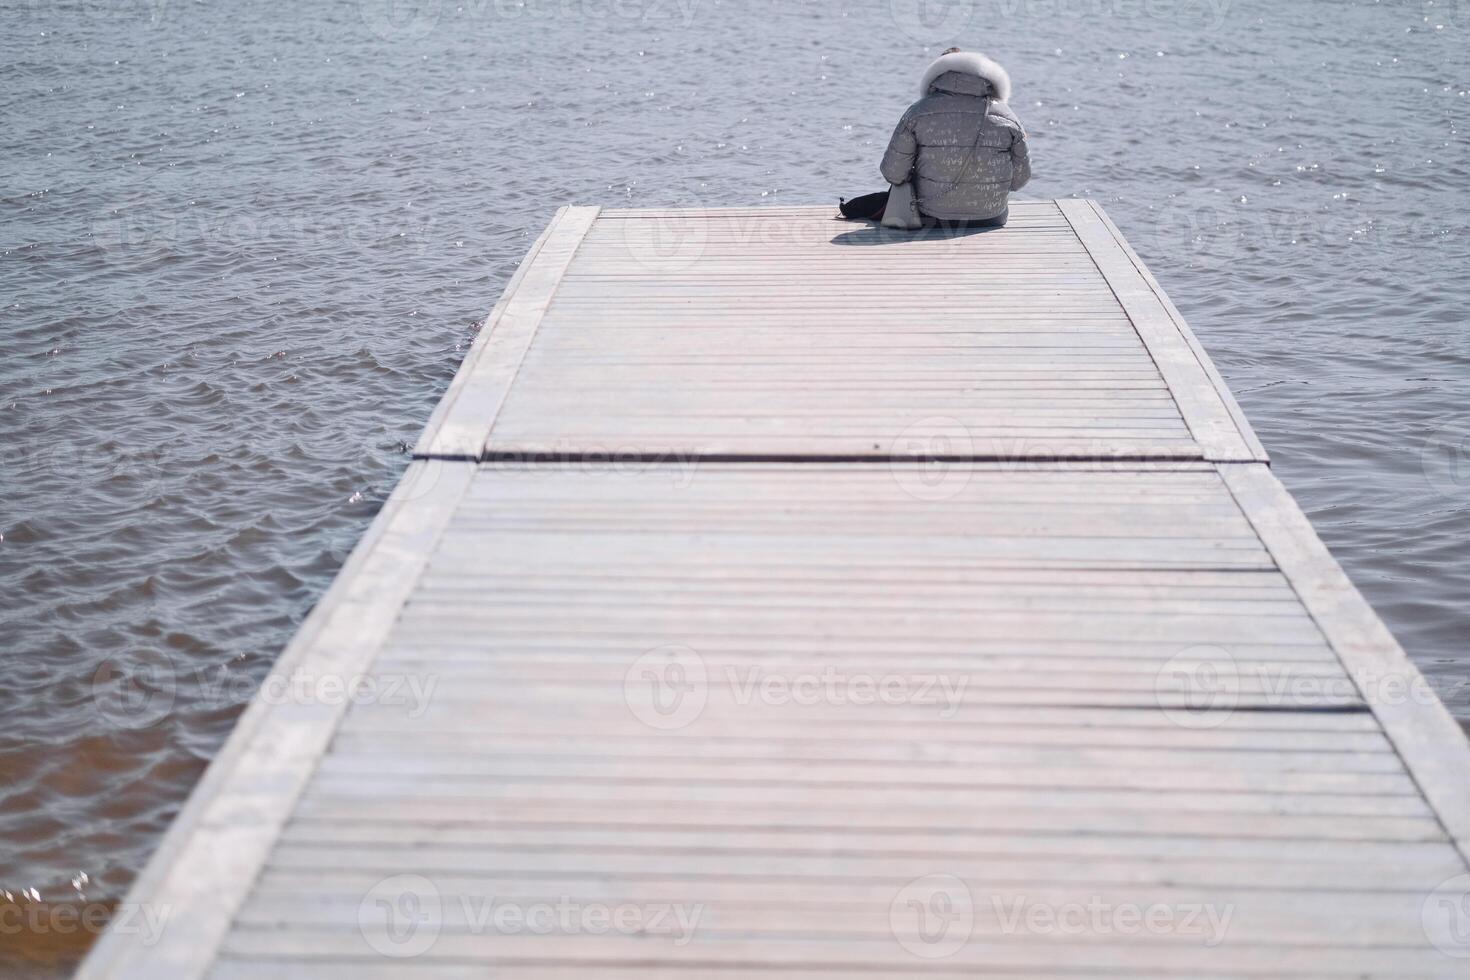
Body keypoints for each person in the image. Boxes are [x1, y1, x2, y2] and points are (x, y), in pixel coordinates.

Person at [841, 48, 1031, 228]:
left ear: (936, 76)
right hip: (991, 217)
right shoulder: (1007, 117)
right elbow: (1020, 180)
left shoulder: (918, 113)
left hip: (932, 216)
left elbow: (893, 173)